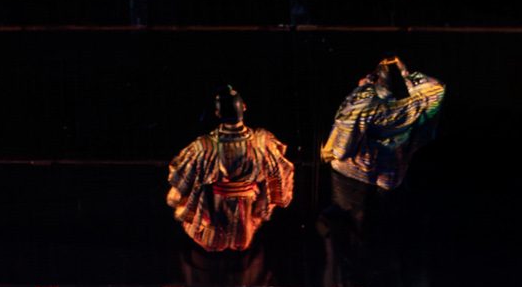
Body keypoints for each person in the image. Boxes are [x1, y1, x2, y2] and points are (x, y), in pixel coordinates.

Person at [166, 86, 296, 252]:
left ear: (218, 114)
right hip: (246, 225)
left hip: (213, 222)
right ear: (244, 107)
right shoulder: (263, 143)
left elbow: (179, 189)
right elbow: (281, 177)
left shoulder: (203, 147)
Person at [322, 57, 446, 197]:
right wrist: (406, 75)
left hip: (352, 174)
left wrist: (363, 88)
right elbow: (436, 89)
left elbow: (341, 150)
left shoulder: (365, 102)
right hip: (392, 172)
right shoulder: (422, 97)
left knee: (348, 216)